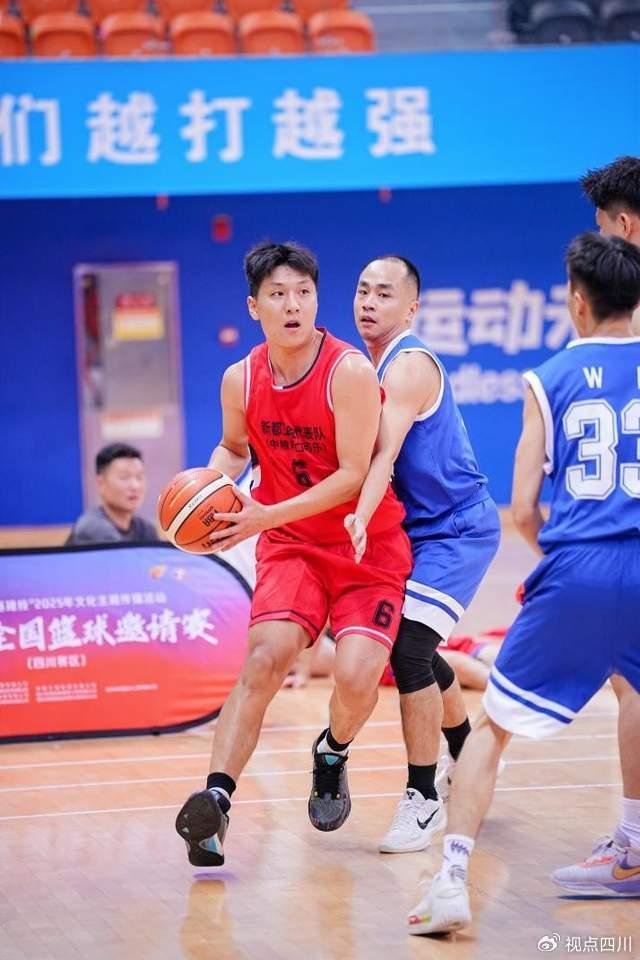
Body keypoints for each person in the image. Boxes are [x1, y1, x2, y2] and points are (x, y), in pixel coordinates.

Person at [410, 233, 640, 936]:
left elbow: (524, 506)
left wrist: (565, 557)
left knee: (492, 728)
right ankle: (633, 846)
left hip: (577, 566)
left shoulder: (547, 378)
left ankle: (451, 880)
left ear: (577, 301)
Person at [174, 241, 412, 867]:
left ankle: (332, 751)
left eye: (303, 292)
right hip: (291, 548)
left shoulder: (347, 372)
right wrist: (208, 486)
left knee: (357, 678)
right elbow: (233, 449)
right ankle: (215, 803)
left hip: (363, 544)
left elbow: (354, 475)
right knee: (263, 659)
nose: (293, 305)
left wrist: (262, 515)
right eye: (277, 294)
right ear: (254, 307)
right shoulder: (241, 378)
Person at [346, 255, 501, 854]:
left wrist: (358, 518)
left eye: (384, 294)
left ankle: (423, 798)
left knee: (409, 648)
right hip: (418, 531)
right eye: (363, 290)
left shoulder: (409, 364)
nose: (369, 302)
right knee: (415, 647)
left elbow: (381, 456)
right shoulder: (366, 366)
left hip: (456, 529)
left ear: (410, 309)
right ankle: (466, 753)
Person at [66, 442, 158, 545]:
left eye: (139, 477)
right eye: (124, 477)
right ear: (101, 483)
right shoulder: (92, 529)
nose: (135, 486)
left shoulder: (146, 530)